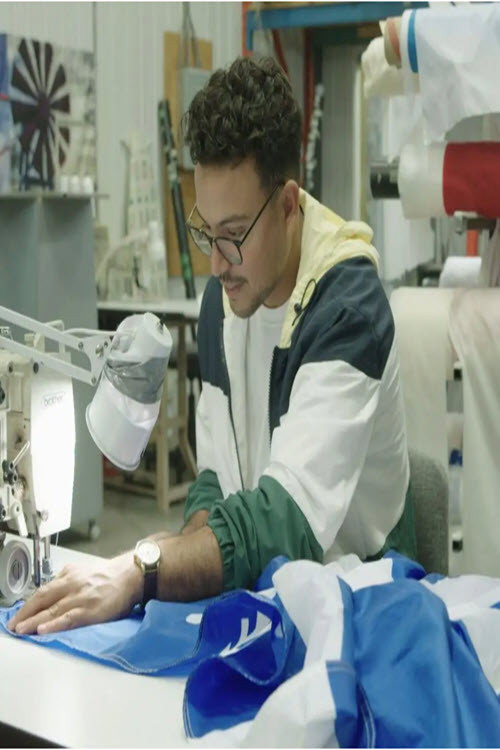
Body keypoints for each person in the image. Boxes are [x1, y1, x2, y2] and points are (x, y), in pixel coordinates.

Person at [9, 56, 415, 637]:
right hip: (268, 593)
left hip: (364, 602)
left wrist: (145, 568)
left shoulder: (346, 309)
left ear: (288, 205)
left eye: (234, 235)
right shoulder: (224, 301)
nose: (216, 263)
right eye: (206, 231)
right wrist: (180, 556)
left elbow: (287, 524)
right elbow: (215, 481)